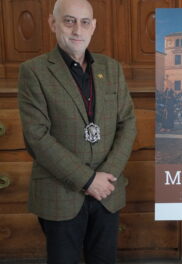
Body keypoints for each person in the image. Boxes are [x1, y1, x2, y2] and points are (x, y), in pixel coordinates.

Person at [17, 0, 137, 263]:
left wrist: (107, 176)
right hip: (61, 194)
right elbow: (37, 137)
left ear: (93, 26)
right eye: (69, 21)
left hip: (108, 190)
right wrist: (87, 180)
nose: (77, 30)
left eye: (84, 22)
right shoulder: (33, 72)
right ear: (53, 23)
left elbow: (127, 123)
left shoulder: (112, 69)